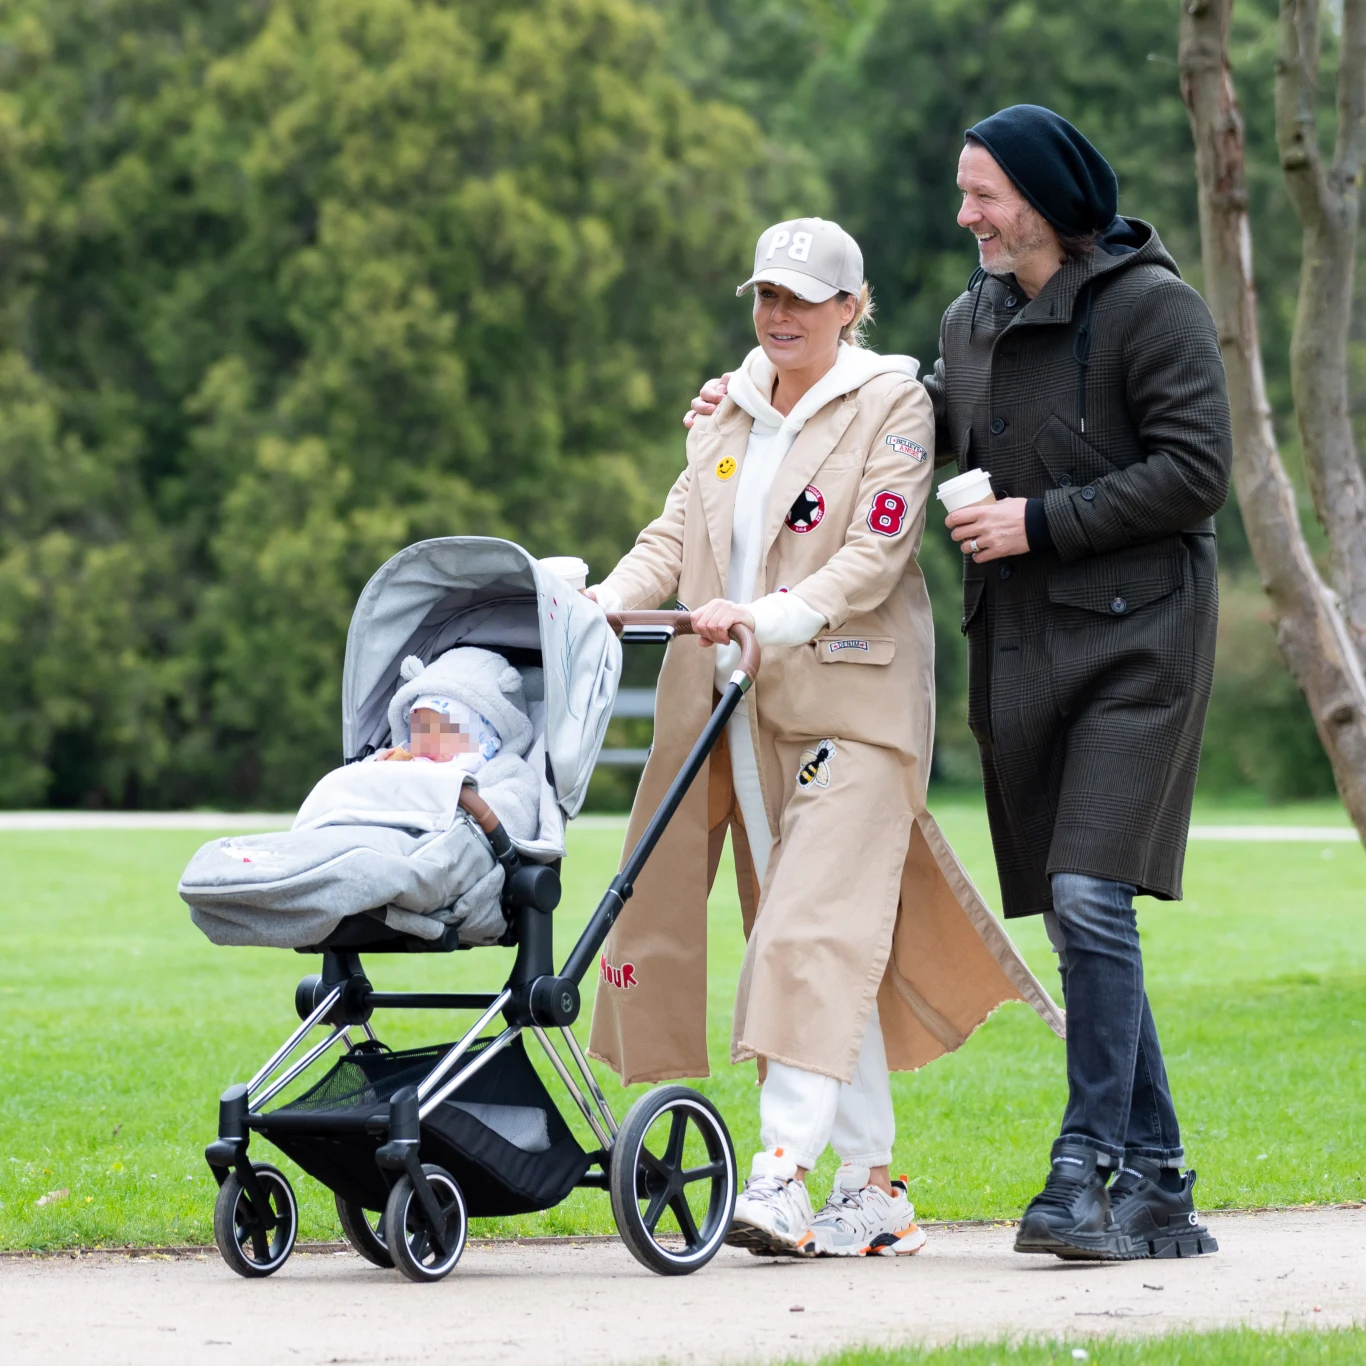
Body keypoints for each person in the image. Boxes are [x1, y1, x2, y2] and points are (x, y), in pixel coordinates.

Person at [689, 107, 1232, 1262]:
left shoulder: (1155, 309)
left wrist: (1039, 520)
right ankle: (1163, 1182)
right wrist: (760, 406)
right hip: (1026, 648)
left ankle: (1085, 1168)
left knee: (1090, 898)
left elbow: (1196, 474)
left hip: (1143, 648)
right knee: (1077, 915)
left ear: (1042, 197)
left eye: (982, 194)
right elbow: (906, 418)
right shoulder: (970, 319)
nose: (964, 215)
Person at [588, 217, 1062, 1258]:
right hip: (736, 709)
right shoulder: (727, 408)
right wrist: (595, 607)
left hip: (855, 704)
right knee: (810, 945)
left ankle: (781, 1175)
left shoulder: (891, 401)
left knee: (805, 930)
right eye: (767, 295)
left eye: (804, 299)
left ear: (852, 308)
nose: (780, 316)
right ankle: (874, 1189)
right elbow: (677, 534)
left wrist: (773, 616)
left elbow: (877, 548)